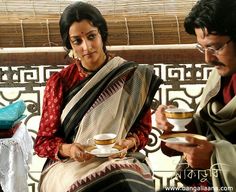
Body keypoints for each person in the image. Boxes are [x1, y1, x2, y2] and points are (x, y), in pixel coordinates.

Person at [34, 1, 163, 192]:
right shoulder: (60, 82)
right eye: (77, 41)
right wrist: (70, 149)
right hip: (70, 165)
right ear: (70, 45)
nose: (87, 47)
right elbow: (43, 142)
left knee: (122, 178)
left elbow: (142, 131)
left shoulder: (130, 76)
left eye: (91, 36)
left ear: (102, 34)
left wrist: (127, 144)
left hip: (120, 159)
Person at [155, 0, 236, 191]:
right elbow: (206, 128)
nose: (208, 59)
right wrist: (177, 123)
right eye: (202, 48)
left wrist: (215, 156)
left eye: (215, 48)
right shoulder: (220, 76)